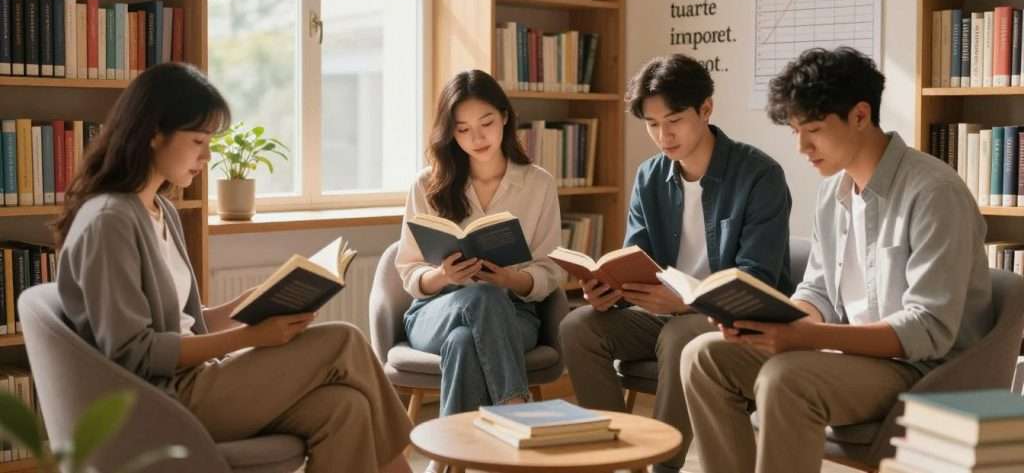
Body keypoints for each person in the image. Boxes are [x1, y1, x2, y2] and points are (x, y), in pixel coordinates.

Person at [55, 63, 413, 473]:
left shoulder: (161, 210)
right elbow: (133, 351)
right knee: (343, 341)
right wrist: (250, 337)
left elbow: (181, 324)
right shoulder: (109, 221)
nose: (207, 156)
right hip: (160, 402)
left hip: (194, 381)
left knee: (344, 408)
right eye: (197, 141)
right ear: (154, 133)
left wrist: (247, 305)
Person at [681, 47, 994, 473]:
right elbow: (818, 291)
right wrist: (776, 319)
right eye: (795, 131)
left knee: (786, 379)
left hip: (922, 371)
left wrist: (806, 338)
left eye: (812, 130)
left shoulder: (934, 193)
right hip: (853, 356)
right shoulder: (834, 192)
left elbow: (928, 330)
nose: (802, 147)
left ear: (861, 116)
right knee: (703, 355)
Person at [559, 53, 793, 473]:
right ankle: (614, 461)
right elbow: (634, 260)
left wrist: (686, 303)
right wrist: (607, 291)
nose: (663, 136)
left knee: (683, 332)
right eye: (651, 124)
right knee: (578, 327)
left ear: (706, 109)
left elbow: (755, 280)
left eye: (674, 120)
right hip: (660, 315)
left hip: (727, 322)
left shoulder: (760, 175)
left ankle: (661, 467)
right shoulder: (650, 176)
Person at [395, 69, 563, 422]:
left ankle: (446, 458)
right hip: (434, 312)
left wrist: (511, 281)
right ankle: (516, 414)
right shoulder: (428, 184)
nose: (477, 137)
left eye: (486, 122)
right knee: (479, 298)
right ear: (450, 131)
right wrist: (441, 276)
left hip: (515, 313)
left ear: (504, 116)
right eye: (462, 128)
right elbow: (409, 271)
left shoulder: (538, 183)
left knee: (464, 343)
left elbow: (551, 268)